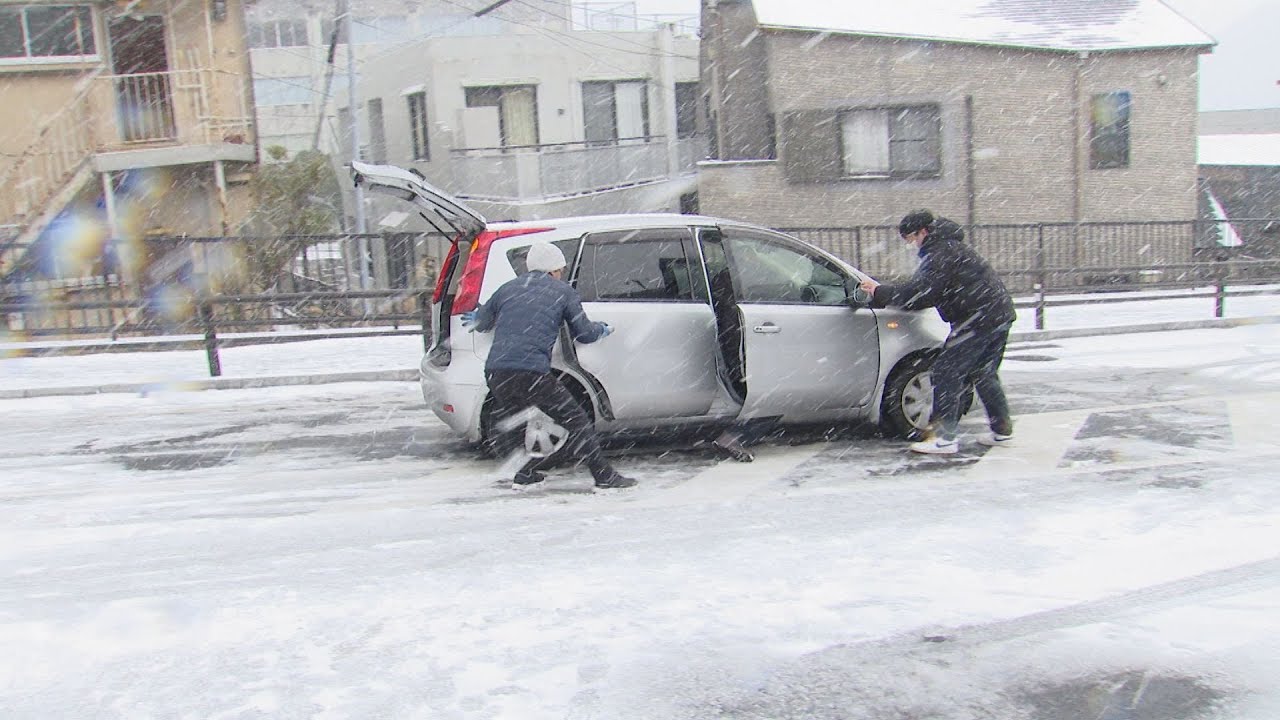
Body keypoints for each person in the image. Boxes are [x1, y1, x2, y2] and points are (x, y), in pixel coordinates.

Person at [462, 242, 638, 489]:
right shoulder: (562, 292)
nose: (561, 274)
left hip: (496, 372)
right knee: (576, 421)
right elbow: (585, 333)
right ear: (553, 269)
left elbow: (480, 323)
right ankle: (604, 476)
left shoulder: (508, 289)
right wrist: (603, 329)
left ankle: (524, 474)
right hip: (530, 371)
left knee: (520, 420)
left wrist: (478, 315)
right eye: (561, 270)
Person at [859, 210, 1016, 455]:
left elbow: (921, 293)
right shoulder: (950, 248)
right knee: (984, 373)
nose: (912, 244)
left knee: (946, 371)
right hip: (997, 315)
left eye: (911, 238)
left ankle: (944, 439)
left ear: (923, 231)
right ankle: (1002, 431)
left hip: (976, 320)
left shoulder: (941, 253)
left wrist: (879, 292)